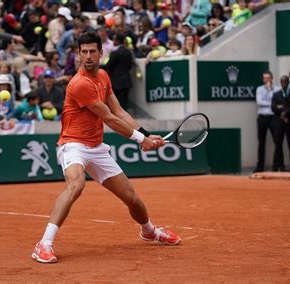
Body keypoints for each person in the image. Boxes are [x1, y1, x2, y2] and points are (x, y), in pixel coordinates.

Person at [31, 32, 181, 264]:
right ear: (78, 55)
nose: (88, 56)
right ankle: (44, 244)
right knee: (76, 185)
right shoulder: (80, 84)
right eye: (84, 52)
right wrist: (141, 140)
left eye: (93, 51)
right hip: (73, 145)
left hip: (97, 147)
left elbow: (119, 111)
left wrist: (146, 134)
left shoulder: (103, 76)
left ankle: (149, 231)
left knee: (132, 199)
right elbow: (110, 119)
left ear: (101, 53)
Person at [254, 70, 280, 173]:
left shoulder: (277, 89)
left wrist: (270, 92)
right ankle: (260, 167)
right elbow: (259, 102)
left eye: (268, 78)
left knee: (277, 142)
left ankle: (276, 167)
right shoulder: (259, 89)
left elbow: (279, 102)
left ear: (272, 79)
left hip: (274, 117)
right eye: (264, 78)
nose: (266, 80)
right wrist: (272, 103)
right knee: (261, 143)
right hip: (262, 117)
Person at [103, 33, 133, 110]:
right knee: (124, 103)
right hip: (126, 81)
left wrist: (96, 65)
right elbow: (130, 66)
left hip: (117, 82)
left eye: (114, 39)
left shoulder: (115, 53)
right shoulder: (128, 52)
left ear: (117, 41)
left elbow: (107, 66)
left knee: (118, 105)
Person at [271, 75, 290, 172]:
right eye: (282, 82)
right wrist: (282, 113)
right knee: (278, 144)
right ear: (280, 82)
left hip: (289, 121)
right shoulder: (276, 94)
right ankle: (276, 166)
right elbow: (274, 107)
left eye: (286, 82)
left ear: (288, 82)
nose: (284, 84)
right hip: (279, 122)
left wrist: (284, 110)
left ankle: (289, 167)